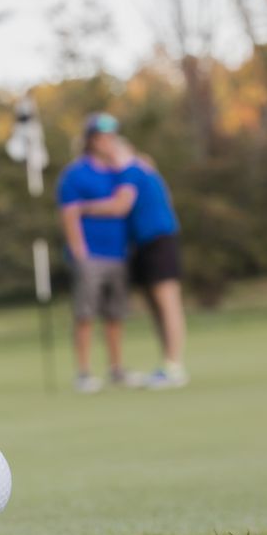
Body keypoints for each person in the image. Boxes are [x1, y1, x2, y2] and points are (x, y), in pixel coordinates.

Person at [80, 138, 188, 389]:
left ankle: (173, 366)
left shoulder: (131, 170)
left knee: (167, 303)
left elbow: (120, 206)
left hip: (158, 240)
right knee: (157, 306)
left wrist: (81, 208)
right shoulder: (141, 169)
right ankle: (168, 364)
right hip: (147, 242)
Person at [56, 114, 142, 393]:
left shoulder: (119, 171)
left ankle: (117, 370)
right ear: (91, 140)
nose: (109, 142)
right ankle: (83, 373)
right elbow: (69, 214)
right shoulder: (75, 173)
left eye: (112, 137)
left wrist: (90, 207)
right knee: (85, 314)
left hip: (117, 252)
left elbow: (123, 205)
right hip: (89, 254)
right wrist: (80, 252)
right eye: (103, 137)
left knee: (115, 314)